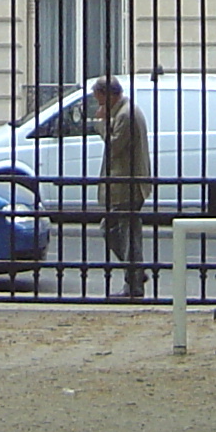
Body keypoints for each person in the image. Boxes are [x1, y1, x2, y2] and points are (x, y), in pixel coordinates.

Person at [94, 75, 153, 298]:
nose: (98, 105)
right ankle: (136, 273)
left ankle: (134, 280)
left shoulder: (125, 115)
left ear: (109, 95)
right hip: (124, 184)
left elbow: (114, 146)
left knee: (124, 234)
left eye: (99, 100)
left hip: (127, 185)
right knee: (118, 231)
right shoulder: (124, 111)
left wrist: (101, 123)